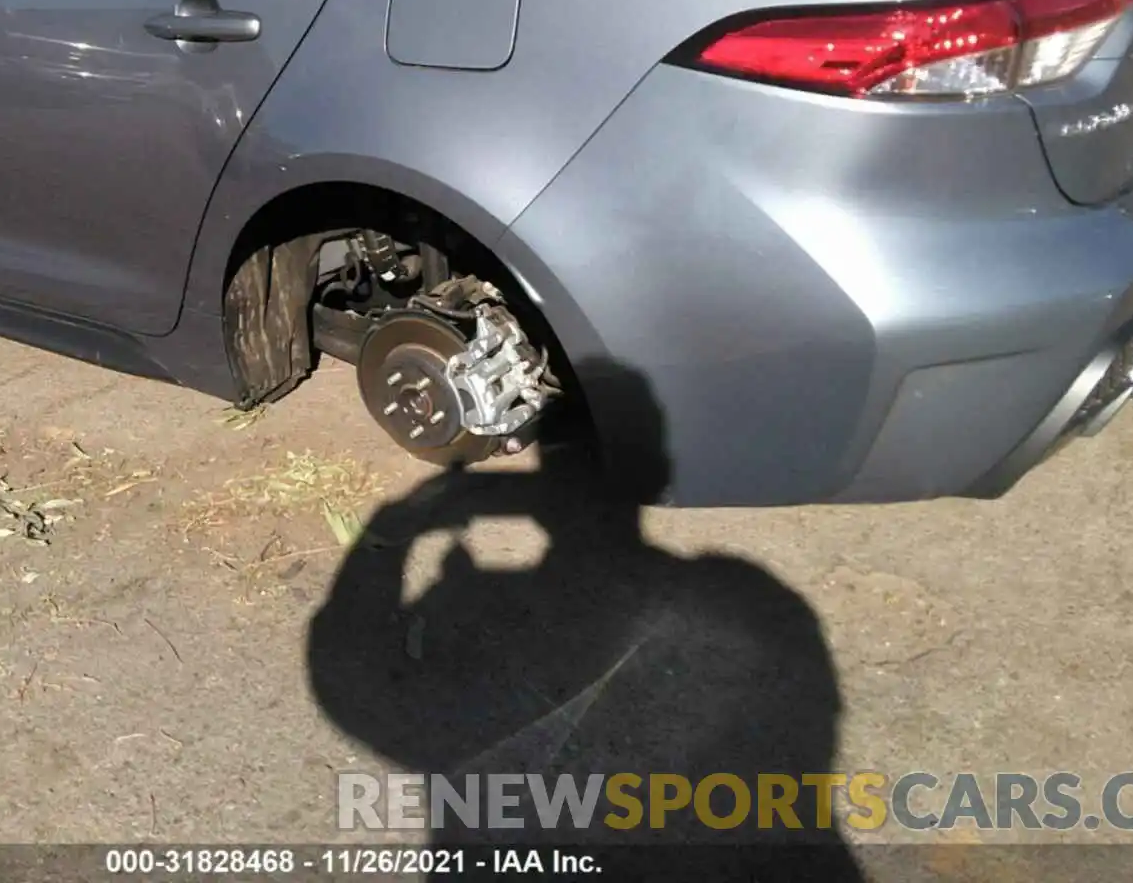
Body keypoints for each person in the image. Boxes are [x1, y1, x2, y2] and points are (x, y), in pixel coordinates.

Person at [307, 361, 864, 879]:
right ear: (659, 468)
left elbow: (344, 674)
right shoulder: (744, 595)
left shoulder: (484, 611)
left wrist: (396, 524)